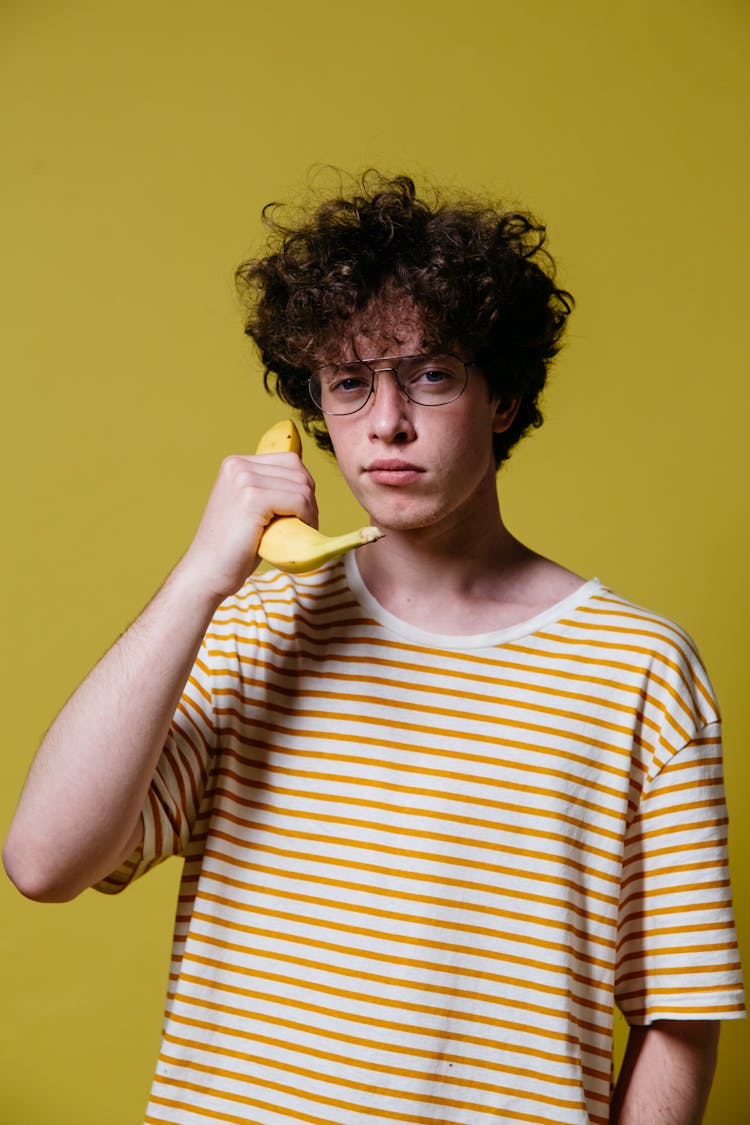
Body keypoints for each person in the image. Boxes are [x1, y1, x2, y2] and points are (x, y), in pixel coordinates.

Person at [4, 171, 745, 1125]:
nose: (387, 423)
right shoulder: (256, 628)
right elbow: (44, 861)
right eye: (350, 384)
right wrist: (199, 577)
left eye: (429, 374)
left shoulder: (641, 668)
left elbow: (678, 1018)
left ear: (504, 394)